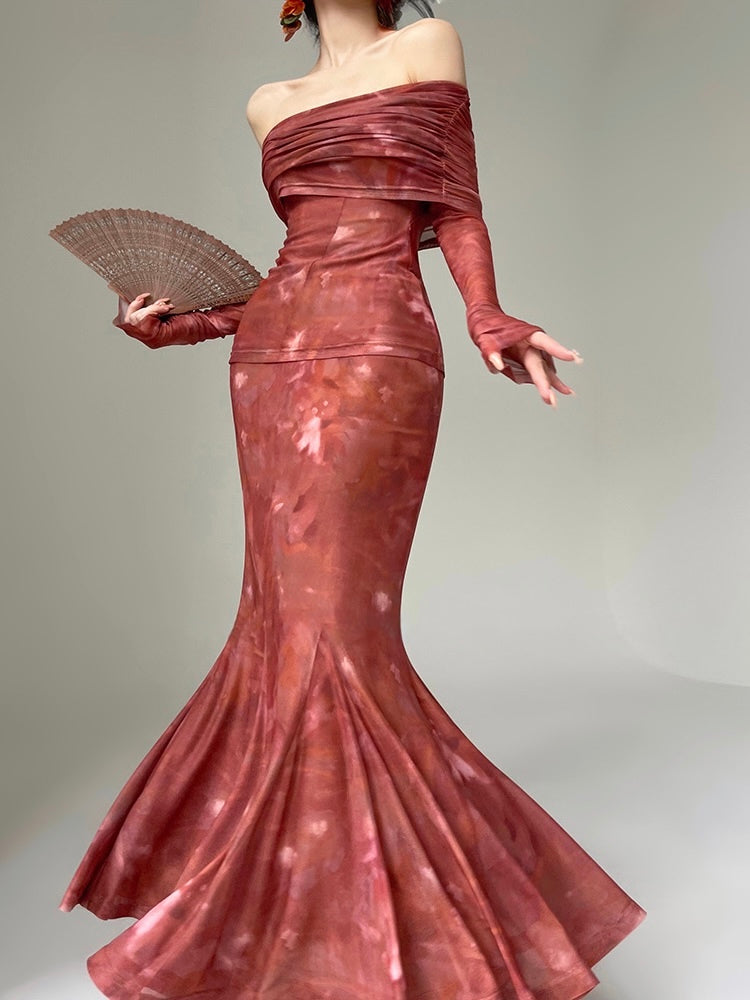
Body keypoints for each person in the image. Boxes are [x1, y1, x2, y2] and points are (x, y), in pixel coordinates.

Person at [58, 3, 647, 999]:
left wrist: (486, 315)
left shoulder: (425, 44)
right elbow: (300, 265)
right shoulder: (268, 101)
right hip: (271, 359)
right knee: (280, 630)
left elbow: (455, 205)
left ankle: (392, 920)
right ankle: (303, 912)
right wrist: (181, 328)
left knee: (338, 635)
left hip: (380, 344)